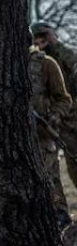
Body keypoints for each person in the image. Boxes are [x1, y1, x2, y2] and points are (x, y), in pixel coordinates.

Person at [28, 39, 73, 226]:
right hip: (17, 138)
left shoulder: (46, 63)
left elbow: (63, 99)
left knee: (50, 178)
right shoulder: (3, 66)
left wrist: (54, 117)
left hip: (43, 134)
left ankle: (59, 213)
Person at [32, 20, 77, 201]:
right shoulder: (38, 62)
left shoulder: (62, 55)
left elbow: (73, 64)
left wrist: (55, 44)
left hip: (72, 112)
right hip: (57, 121)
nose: (42, 41)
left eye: (45, 36)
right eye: (38, 38)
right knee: (70, 166)